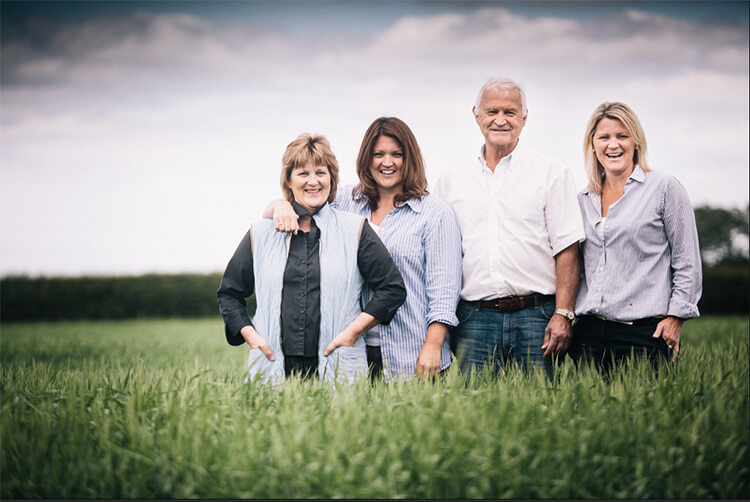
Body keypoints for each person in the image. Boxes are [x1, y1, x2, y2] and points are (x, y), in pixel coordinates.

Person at [267, 117, 462, 380]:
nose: (387, 162)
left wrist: (433, 346)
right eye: (378, 154)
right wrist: (281, 204)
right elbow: (306, 197)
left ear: (411, 158)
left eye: (397, 154)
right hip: (352, 355)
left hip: (410, 352)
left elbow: (443, 292)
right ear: (366, 158)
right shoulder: (346, 202)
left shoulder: (435, 214)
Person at [217, 133, 406, 385]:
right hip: (273, 368)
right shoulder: (260, 233)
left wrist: (352, 332)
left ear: (331, 179)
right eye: (303, 174)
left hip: (339, 365)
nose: (313, 181)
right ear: (288, 180)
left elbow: (392, 288)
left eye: (321, 172)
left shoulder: (355, 229)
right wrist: (251, 336)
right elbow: (229, 293)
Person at [432, 77, 585, 377]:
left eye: (510, 112)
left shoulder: (551, 173)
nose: (500, 120)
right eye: (492, 112)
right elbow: (440, 256)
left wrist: (563, 314)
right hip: (473, 318)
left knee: (537, 411)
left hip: (536, 316)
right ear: (476, 115)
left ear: (524, 118)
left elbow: (567, 249)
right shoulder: (451, 180)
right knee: (473, 410)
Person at [571, 101, 702, 371]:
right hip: (589, 335)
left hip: (644, 335)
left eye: (622, 136)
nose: (613, 145)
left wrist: (676, 317)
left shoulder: (664, 188)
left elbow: (687, 260)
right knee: (589, 412)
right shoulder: (582, 199)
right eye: (604, 137)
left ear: (636, 142)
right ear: (593, 145)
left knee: (644, 412)